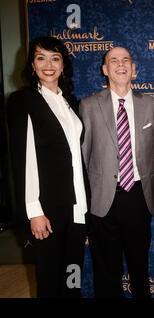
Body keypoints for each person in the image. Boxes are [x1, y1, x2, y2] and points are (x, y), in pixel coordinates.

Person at [6, 36, 87, 297]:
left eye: (55, 58)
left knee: (73, 275)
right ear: (32, 65)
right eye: (41, 58)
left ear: (63, 65)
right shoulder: (22, 101)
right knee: (49, 280)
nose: (48, 64)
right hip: (47, 208)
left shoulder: (71, 102)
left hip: (77, 205)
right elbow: (23, 158)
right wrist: (34, 210)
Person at [79, 47, 154, 298]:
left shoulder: (151, 105)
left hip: (138, 197)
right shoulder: (88, 105)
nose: (120, 64)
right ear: (105, 70)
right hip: (103, 199)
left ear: (134, 69)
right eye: (114, 60)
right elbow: (83, 155)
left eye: (126, 60)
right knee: (106, 272)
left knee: (139, 268)